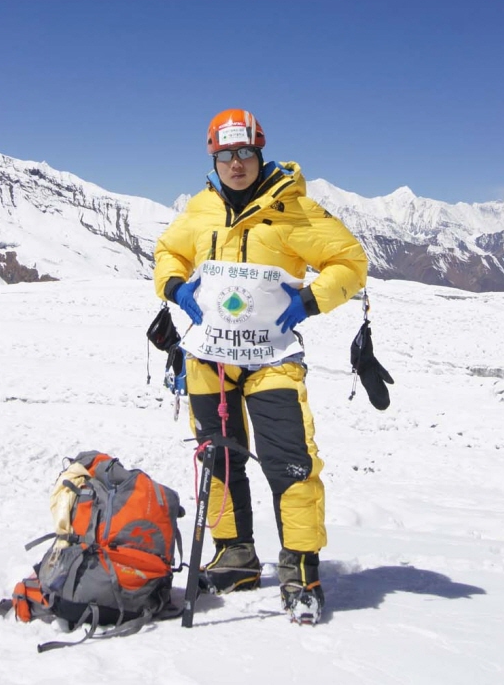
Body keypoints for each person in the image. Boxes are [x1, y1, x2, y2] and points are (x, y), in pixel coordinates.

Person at [153, 108, 368, 624]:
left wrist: (311, 301)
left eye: (245, 152)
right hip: (209, 359)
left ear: (260, 152)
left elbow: (350, 262)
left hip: (272, 359)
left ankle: (300, 570)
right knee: (217, 460)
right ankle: (235, 557)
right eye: (226, 155)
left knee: (290, 461)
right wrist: (176, 288)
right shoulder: (201, 208)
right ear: (213, 158)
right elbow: (168, 253)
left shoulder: (293, 209)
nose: (236, 164)